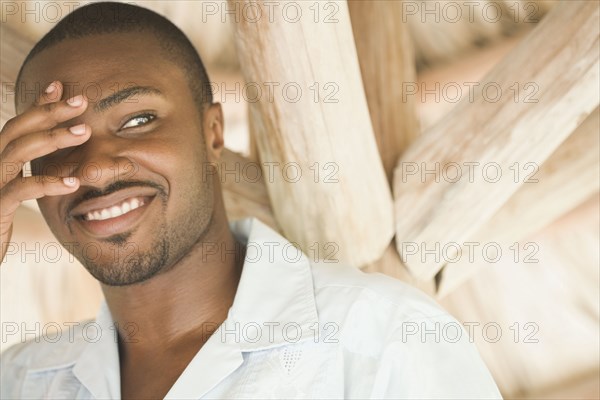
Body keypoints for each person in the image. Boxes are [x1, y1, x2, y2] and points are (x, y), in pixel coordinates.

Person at [0, 2, 502, 399]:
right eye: (59, 140)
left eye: (137, 120)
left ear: (212, 132)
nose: (93, 167)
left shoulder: (382, 338)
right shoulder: (23, 380)